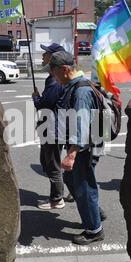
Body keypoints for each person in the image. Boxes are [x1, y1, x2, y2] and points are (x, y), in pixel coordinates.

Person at [50, 51, 105, 245]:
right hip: (86, 144)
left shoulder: (81, 91)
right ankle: (95, 212)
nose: (54, 77)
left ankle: (94, 230)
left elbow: (81, 126)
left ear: (65, 70)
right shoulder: (77, 85)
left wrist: (71, 155)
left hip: (83, 148)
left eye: (54, 73)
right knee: (72, 180)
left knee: (83, 186)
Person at [33, 43, 67, 210]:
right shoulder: (55, 78)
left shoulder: (54, 80)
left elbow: (45, 104)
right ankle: (65, 192)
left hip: (53, 129)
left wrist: (36, 98)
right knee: (49, 163)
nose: (42, 56)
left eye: (45, 53)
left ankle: (57, 199)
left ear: (53, 57)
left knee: (52, 165)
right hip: (52, 127)